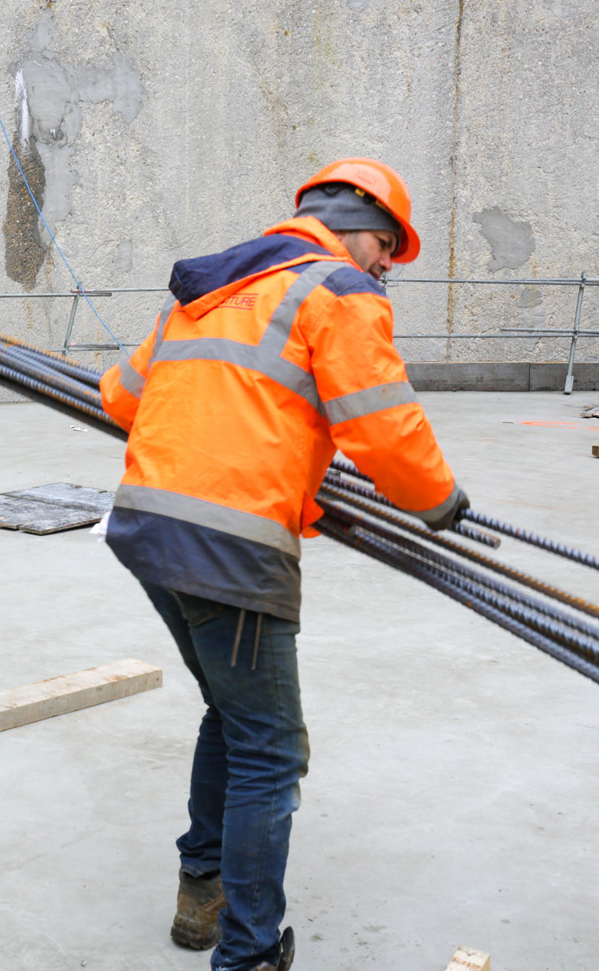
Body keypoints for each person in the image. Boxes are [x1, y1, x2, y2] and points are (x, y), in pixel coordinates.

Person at [99, 159, 468, 971]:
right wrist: (438, 499)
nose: (384, 266)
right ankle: (249, 954)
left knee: (233, 716)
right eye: (385, 245)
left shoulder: (209, 287)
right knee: (270, 748)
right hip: (229, 551)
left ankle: (204, 889)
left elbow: (120, 399)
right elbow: (382, 427)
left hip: (146, 529)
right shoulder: (337, 289)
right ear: (350, 222)